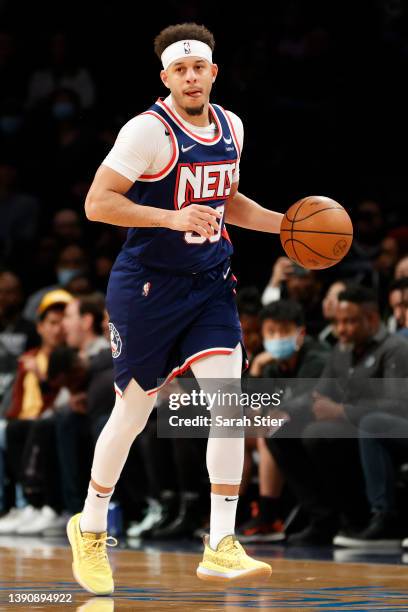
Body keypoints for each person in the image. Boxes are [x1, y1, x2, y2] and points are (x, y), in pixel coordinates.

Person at [67, 22, 284, 593]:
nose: (191, 77)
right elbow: (97, 203)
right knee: (134, 413)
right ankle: (89, 528)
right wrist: (169, 216)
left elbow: (226, 198)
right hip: (147, 289)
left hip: (209, 283)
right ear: (166, 78)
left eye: (199, 68)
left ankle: (220, 542)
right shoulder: (146, 131)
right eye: (179, 70)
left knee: (229, 406)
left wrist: (284, 227)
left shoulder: (231, 126)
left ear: (214, 72)